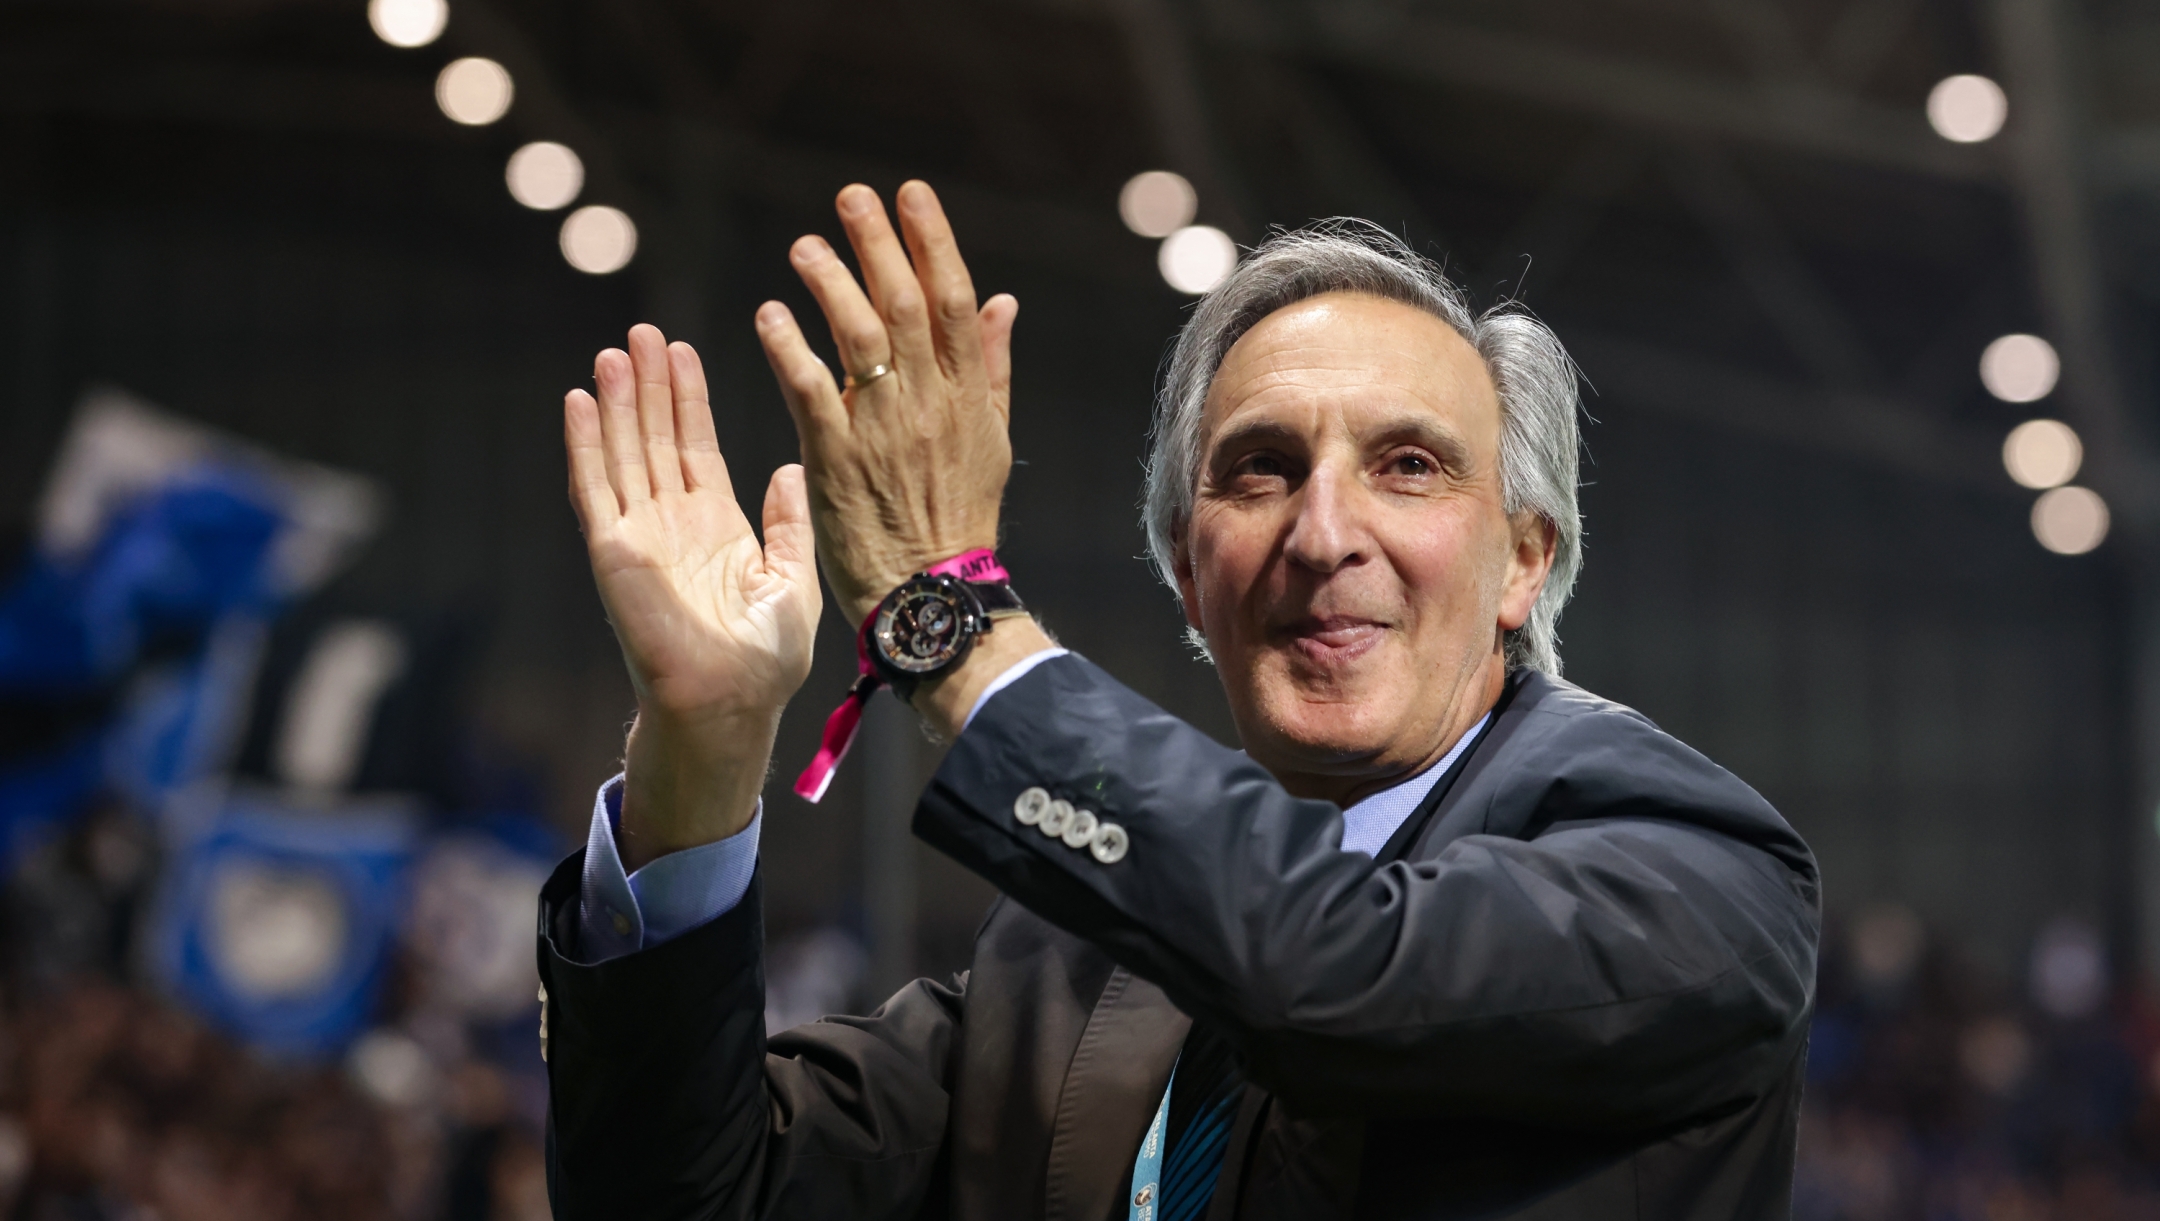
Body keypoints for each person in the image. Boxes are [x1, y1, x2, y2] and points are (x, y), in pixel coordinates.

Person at [537, 181, 1821, 1220]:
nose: (1323, 534)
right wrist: (703, 754)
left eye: (1410, 467)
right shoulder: (1069, 951)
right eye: (1259, 472)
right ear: (1187, 576)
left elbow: (1336, 973)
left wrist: (949, 624)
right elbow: (688, 1195)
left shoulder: (1699, 872)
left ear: (1523, 562)